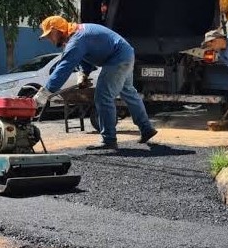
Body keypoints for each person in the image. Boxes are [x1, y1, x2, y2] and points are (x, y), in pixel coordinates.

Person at [33, 16, 157, 150]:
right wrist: (83, 75)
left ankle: (109, 139)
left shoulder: (77, 40)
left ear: (58, 30)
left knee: (103, 97)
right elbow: (85, 57)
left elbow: (63, 69)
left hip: (117, 58)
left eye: (50, 35)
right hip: (125, 53)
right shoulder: (78, 35)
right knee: (129, 92)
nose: (50, 40)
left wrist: (44, 94)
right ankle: (146, 129)